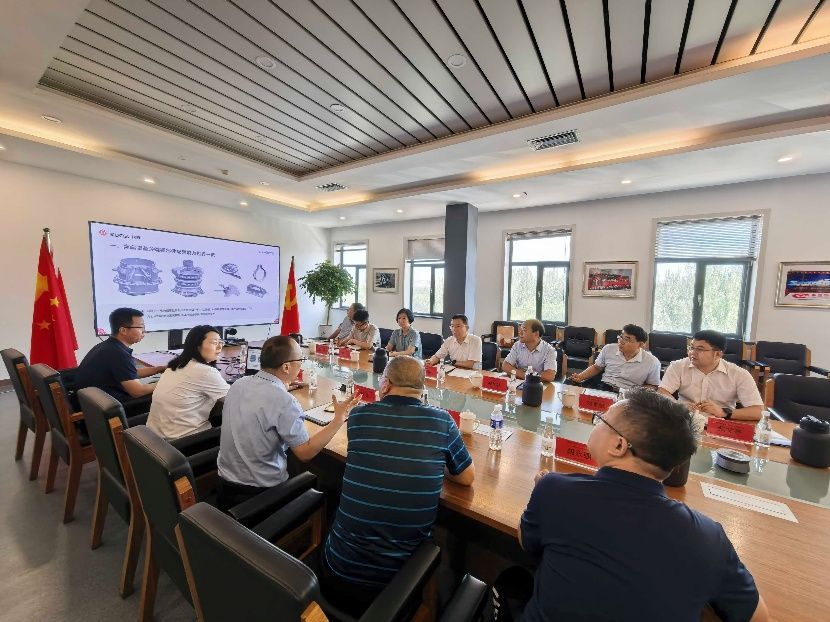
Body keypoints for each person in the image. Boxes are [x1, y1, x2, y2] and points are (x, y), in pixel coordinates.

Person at [511, 388, 768, 622]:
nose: (596, 423)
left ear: (619, 445)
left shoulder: (555, 490)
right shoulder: (709, 536)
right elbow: (759, 617)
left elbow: (527, 542)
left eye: (601, 420)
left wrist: (540, 494)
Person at [321, 356, 474, 615]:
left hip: (337, 571)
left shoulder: (358, 416)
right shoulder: (442, 422)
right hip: (398, 584)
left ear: (385, 385)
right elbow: (467, 478)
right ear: (423, 388)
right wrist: (436, 461)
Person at [217, 336, 360, 510]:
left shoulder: (239, 384)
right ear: (286, 367)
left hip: (225, 484)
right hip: (259, 494)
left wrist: (282, 387)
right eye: (300, 360)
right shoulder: (283, 401)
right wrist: (338, 419)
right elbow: (305, 453)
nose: (301, 365)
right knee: (330, 482)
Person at [658, 329, 763, 421]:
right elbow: (662, 393)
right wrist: (678, 405)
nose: (692, 353)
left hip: (721, 424)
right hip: (684, 420)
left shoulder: (739, 374)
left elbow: (758, 412)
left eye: (700, 349)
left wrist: (723, 412)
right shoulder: (678, 366)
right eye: (691, 347)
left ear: (717, 354)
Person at [146, 325, 229, 440]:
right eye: (214, 343)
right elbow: (234, 400)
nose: (220, 347)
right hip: (183, 443)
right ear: (197, 346)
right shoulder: (205, 372)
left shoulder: (177, 364)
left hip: (155, 438)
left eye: (221, 342)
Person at [74, 307, 166, 403]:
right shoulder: (117, 353)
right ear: (123, 330)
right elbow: (138, 392)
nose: (144, 331)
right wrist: (169, 382)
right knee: (165, 394)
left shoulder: (109, 346)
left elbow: (129, 373)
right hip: (107, 406)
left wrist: (159, 369)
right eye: (140, 327)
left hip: (91, 403)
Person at [567, 324, 661, 391]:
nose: (621, 342)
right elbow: (596, 367)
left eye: (627, 339)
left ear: (641, 344)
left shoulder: (652, 362)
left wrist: (637, 394)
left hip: (629, 394)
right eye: (621, 337)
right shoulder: (608, 349)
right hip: (603, 387)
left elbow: (653, 385)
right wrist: (580, 377)